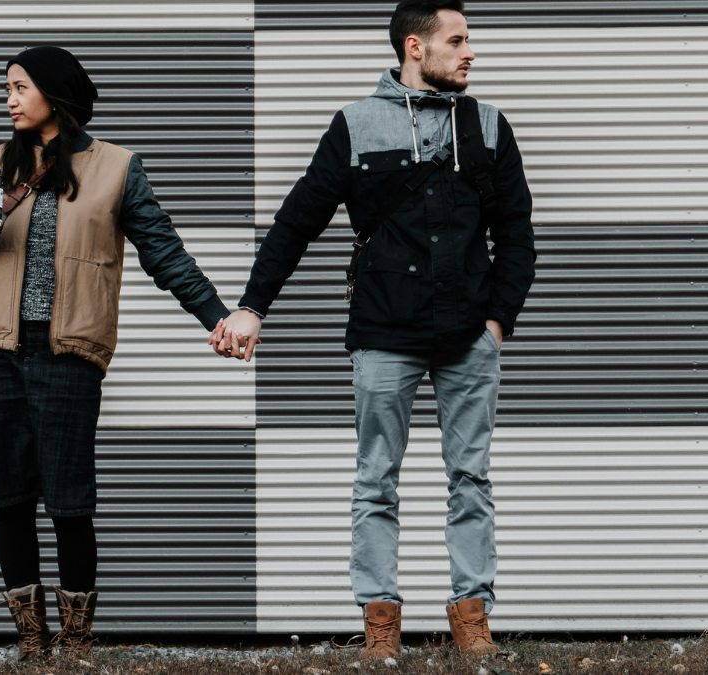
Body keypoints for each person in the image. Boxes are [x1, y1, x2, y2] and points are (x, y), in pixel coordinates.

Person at [210, 0, 535, 658]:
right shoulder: (356, 125)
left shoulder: (490, 127)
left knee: (470, 477)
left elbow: (518, 236)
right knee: (375, 478)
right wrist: (252, 305)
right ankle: (380, 623)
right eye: (457, 40)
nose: (470, 52)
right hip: (384, 332)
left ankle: (473, 619)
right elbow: (297, 220)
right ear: (415, 48)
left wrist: (497, 321)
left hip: (468, 335)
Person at [0, 46, 231, 661]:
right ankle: (32, 640)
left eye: (21, 87)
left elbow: (165, 254)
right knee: (10, 498)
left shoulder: (117, 168)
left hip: (69, 354)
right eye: (7, 89)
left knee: (70, 501)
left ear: (56, 93)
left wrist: (217, 315)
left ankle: (75, 644)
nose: (10, 100)